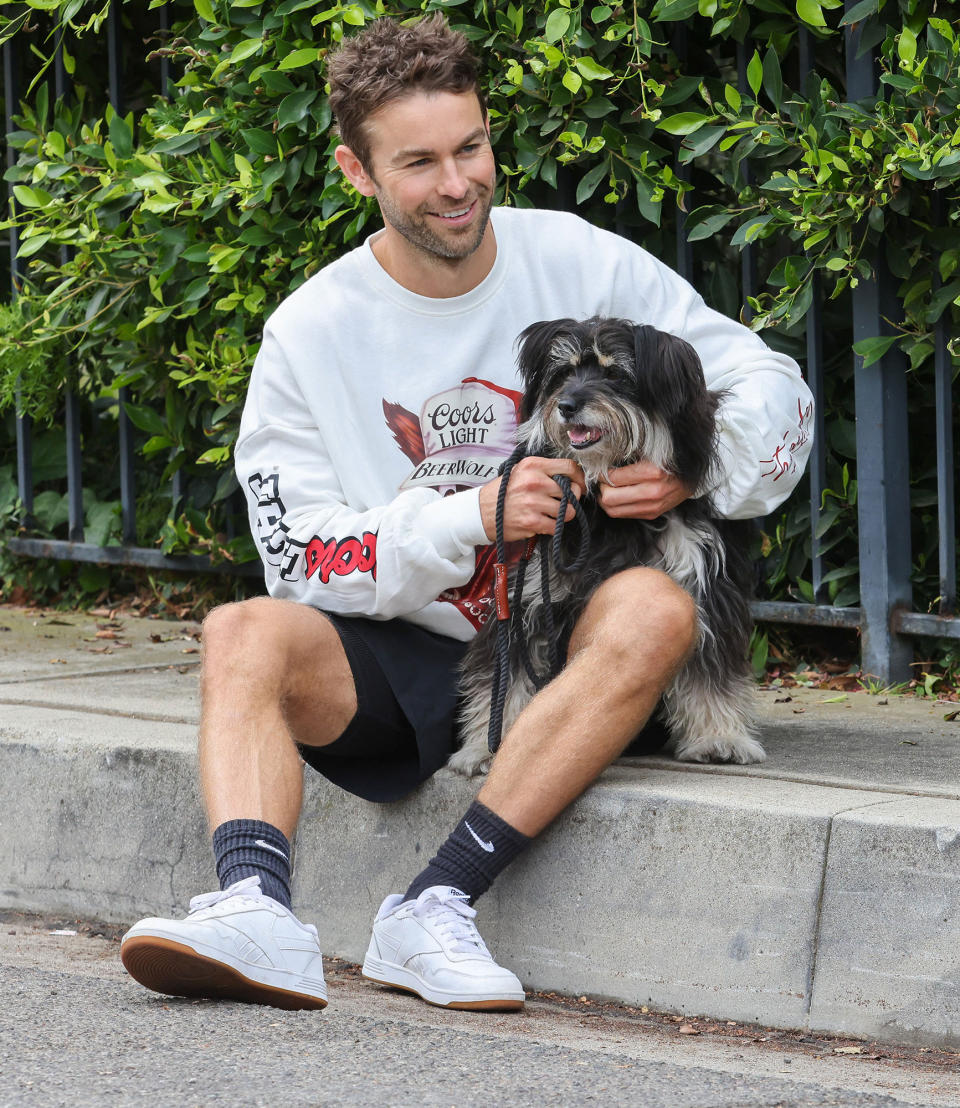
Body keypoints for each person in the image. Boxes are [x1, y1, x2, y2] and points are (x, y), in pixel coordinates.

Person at [120, 13, 814, 1013]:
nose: (457, 184)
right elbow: (297, 555)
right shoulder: (311, 331)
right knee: (241, 631)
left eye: (472, 147)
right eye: (419, 162)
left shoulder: (578, 258)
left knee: (659, 609)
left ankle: (435, 906)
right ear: (358, 172)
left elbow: (769, 383)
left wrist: (694, 472)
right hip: (409, 646)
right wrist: (469, 516)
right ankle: (255, 911)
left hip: (574, 641)